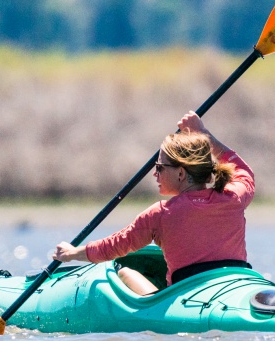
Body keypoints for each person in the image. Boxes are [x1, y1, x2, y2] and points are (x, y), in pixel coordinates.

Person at [52, 111, 255, 295]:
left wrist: (72, 253)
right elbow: (243, 171)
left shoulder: (161, 214)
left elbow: (114, 246)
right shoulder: (233, 197)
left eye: (159, 167)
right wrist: (204, 134)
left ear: (181, 173)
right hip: (235, 285)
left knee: (125, 272)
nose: (155, 173)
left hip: (187, 295)